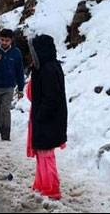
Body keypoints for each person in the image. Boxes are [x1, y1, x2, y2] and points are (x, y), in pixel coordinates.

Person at [26, 34, 67, 200]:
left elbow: (52, 98)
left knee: (45, 155)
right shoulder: (45, 67)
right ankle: (42, 184)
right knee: (42, 154)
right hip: (46, 118)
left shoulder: (48, 69)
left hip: (47, 120)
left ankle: (51, 188)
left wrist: (41, 115)